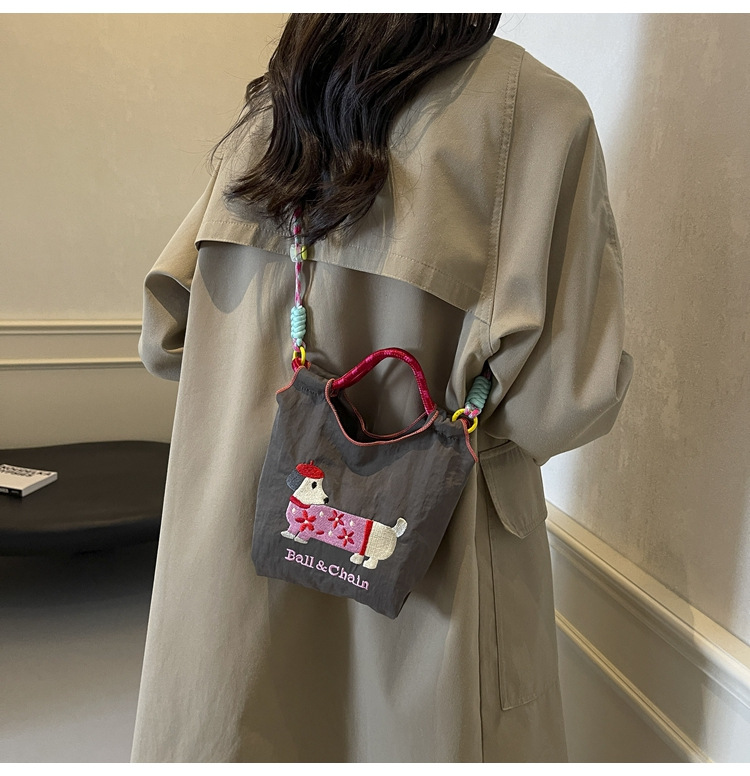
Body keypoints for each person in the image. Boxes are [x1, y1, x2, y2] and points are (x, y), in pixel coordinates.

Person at [133, 14, 633, 763]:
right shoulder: (539, 112)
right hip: (430, 571)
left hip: (230, 545)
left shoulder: (277, 103)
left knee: (238, 722)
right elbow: (561, 402)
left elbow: (167, 338)